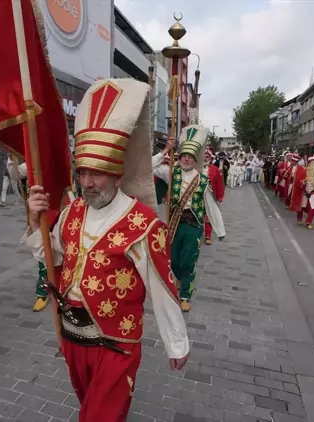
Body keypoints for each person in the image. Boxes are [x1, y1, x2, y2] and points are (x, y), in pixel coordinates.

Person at [23, 78, 189, 422]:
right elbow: (52, 258)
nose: (86, 182)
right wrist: (33, 220)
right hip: (71, 337)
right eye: (82, 172)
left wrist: (176, 342)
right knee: (90, 407)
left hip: (116, 344)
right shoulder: (72, 211)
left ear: (116, 173)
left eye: (96, 173)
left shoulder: (144, 225)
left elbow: (162, 287)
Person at [153, 124, 226, 312]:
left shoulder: (202, 180)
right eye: (183, 156)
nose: (186, 159)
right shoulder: (171, 172)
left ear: (195, 159)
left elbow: (211, 205)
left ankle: (185, 295)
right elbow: (148, 166)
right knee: (173, 259)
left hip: (193, 225)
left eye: (190, 157)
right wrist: (166, 150)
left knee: (189, 260)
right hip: (174, 223)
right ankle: (178, 278)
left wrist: (219, 230)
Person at [203, 149, 225, 245]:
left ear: (210, 158)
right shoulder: (196, 168)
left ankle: (208, 235)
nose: (205, 158)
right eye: (203, 156)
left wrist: (219, 198)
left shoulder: (215, 170)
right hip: (198, 196)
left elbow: (220, 184)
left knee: (209, 216)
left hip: (210, 196)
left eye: (207, 156)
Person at [297, 156, 314, 229]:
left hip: (313, 193)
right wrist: (303, 182)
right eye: (311, 162)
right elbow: (299, 181)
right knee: (301, 206)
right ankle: (299, 218)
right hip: (304, 192)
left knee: (313, 208)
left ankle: (308, 222)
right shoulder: (304, 171)